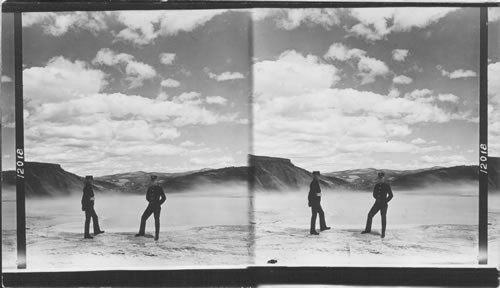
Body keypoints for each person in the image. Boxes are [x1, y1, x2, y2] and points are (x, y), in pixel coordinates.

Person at [362, 171, 394, 238]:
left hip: (384, 204)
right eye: (379, 178)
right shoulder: (376, 185)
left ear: (383, 178)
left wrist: (385, 201)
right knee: (370, 215)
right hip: (377, 203)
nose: (380, 179)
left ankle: (383, 233)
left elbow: (391, 195)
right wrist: (377, 198)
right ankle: (368, 230)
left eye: (381, 178)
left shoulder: (386, 185)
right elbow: (374, 194)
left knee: (383, 217)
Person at [135, 175, 166, 241]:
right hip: (150, 206)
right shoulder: (150, 188)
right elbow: (147, 197)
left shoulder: (159, 188)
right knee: (143, 217)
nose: (153, 182)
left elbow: (164, 198)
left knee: (156, 220)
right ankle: (141, 233)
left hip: (157, 207)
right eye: (152, 181)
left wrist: (158, 203)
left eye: (154, 180)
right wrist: (151, 201)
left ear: (156, 181)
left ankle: (157, 236)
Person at [308, 171, 330, 235]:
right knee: (314, 215)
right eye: (317, 175)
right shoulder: (313, 183)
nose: (318, 176)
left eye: (319, 175)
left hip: (316, 202)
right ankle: (312, 230)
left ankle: (323, 227)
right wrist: (311, 202)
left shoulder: (315, 182)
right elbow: (311, 193)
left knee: (321, 213)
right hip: (315, 202)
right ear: (314, 176)